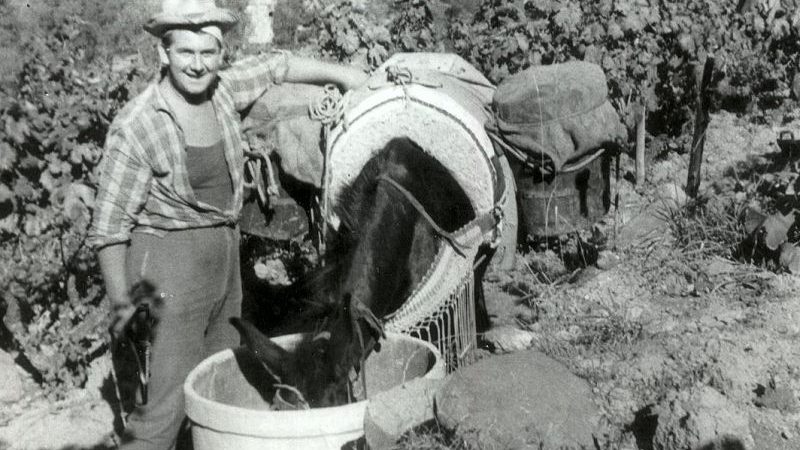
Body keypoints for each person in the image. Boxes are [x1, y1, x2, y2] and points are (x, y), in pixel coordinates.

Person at [87, 0, 368, 448]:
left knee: (217, 391)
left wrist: (349, 76)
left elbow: (278, 65)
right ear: (163, 53)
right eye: (185, 53)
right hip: (167, 270)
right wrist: (125, 312)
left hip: (223, 261)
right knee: (161, 411)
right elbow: (108, 230)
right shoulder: (139, 125)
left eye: (207, 53)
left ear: (219, 54)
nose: (197, 65)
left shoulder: (221, 90)